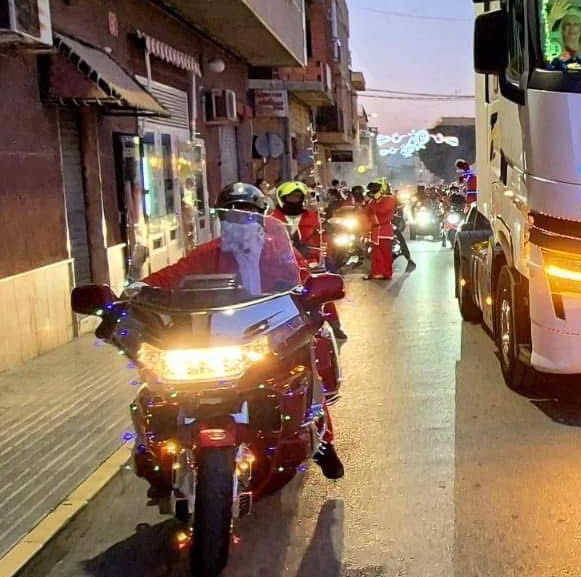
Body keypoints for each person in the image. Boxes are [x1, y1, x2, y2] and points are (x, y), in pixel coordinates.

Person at [143, 182, 344, 479]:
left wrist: (321, 309)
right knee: (161, 383)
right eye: (232, 214)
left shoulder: (279, 252)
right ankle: (158, 455)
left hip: (272, 330)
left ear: (260, 217)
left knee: (308, 365)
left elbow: (305, 281)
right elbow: (172, 275)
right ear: (222, 219)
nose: (240, 221)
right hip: (221, 333)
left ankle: (324, 441)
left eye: (248, 214)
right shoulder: (208, 253)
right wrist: (138, 290)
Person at [275, 180, 347, 341]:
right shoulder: (273, 219)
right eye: (291, 197)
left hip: (310, 263)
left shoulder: (313, 217)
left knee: (323, 294)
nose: (295, 200)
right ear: (282, 198)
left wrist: (322, 256)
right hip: (282, 266)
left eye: (298, 197)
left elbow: (323, 239)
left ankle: (334, 326)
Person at [364, 180, 401, 279]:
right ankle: (376, 272)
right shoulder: (373, 201)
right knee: (375, 254)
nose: (372, 193)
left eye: (374, 191)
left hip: (384, 230)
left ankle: (387, 273)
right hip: (375, 231)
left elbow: (383, 210)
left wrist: (374, 203)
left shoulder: (388, 199)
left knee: (385, 253)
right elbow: (367, 212)